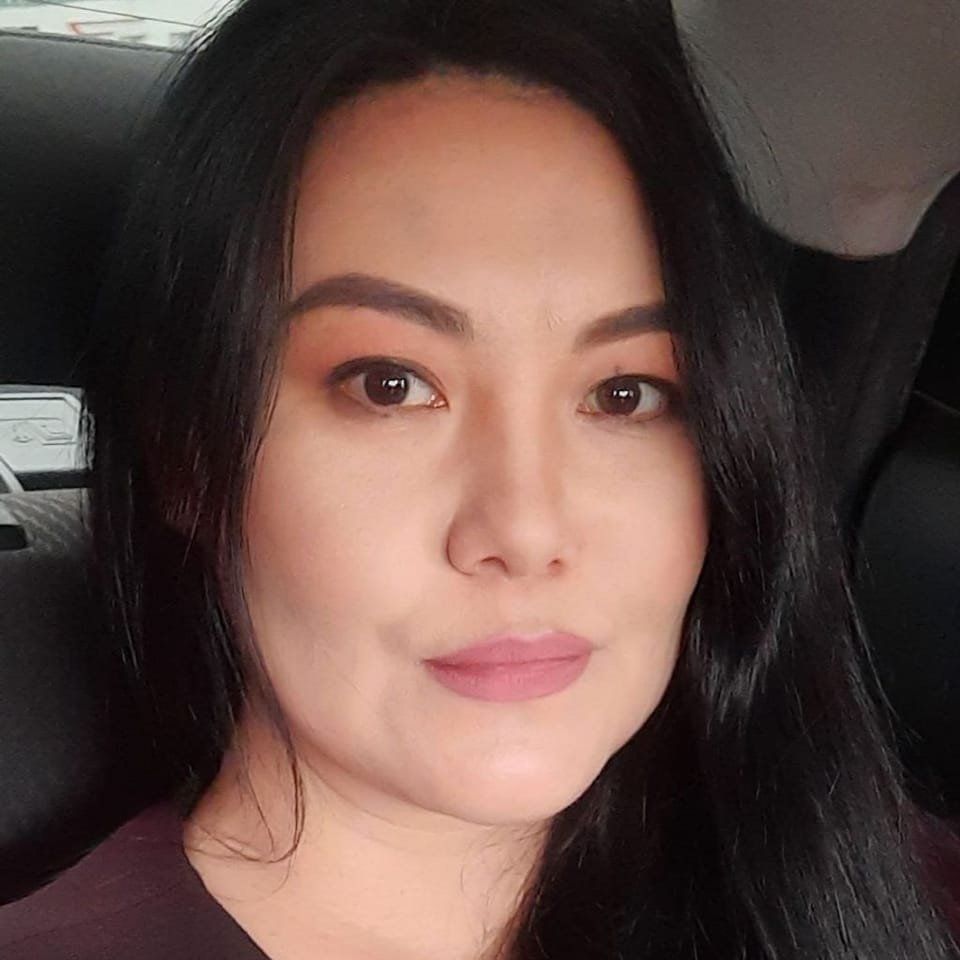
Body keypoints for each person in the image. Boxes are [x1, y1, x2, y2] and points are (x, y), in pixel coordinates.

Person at [2, 0, 959, 958]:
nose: (527, 528)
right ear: (190, 454)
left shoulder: (870, 879)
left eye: (624, 395)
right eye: (389, 386)